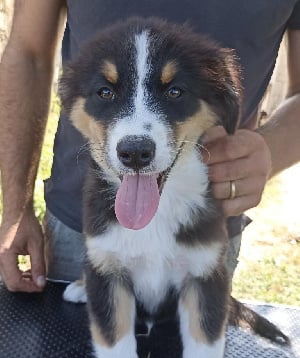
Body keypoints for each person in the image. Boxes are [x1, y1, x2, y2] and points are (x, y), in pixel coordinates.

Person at [0, 0, 300, 292]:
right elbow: (29, 54)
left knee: (194, 336)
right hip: (82, 227)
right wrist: (15, 207)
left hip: (204, 227)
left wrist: (268, 151)